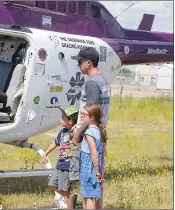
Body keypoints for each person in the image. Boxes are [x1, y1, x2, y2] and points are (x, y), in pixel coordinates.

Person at [70, 46, 111, 209]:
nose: (78, 66)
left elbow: (90, 115)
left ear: (88, 63)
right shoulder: (103, 81)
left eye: (80, 62)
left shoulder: (92, 83)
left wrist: (77, 134)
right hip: (100, 133)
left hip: (90, 136)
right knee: (97, 183)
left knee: (88, 186)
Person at [40, 107, 79, 209]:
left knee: (65, 192)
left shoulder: (75, 132)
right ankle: (71, 198)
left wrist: (76, 129)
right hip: (59, 165)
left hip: (68, 166)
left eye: (63, 117)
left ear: (70, 121)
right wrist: (45, 153)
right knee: (51, 185)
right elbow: (55, 143)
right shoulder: (62, 132)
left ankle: (70, 203)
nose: (60, 119)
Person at [78, 104, 107, 209]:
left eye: (84, 114)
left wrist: (96, 171)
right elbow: (103, 154)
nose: (81, 116)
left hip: (88, 168)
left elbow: (94, 152)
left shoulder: (89, 132)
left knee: (89, 197)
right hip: (94, 168)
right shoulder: (98, 131)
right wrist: (101, 170)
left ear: (92, 117)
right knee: (90, 196)